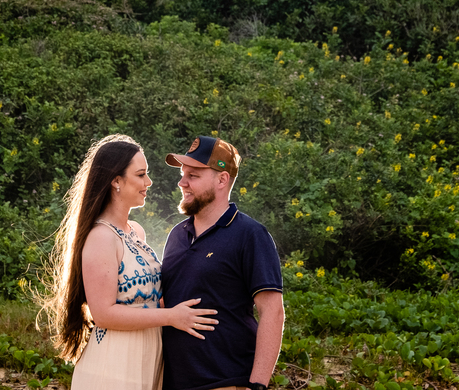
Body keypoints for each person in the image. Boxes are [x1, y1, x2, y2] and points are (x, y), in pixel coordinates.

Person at [41, 134, 220, 390]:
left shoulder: (136, 231)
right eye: (140, 175)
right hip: (115, 363)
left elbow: (155, 295)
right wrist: (171, 317)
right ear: (116, 181)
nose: (148, 182)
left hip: (148, 356)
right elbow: (103, 314)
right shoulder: (101, 237)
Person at [160, 136, 285, 390]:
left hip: (226, 381)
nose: (182, 183)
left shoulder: (250, 235)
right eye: (183, 175)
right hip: (172, 382)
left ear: (221, 179)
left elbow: (273, 312)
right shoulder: (176, 234)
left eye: (193, 176)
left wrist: (257, 385)